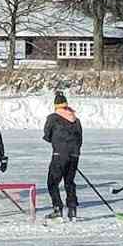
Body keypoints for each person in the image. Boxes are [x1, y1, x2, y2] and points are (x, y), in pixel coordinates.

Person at [43, 89, 82, 221]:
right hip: (74, 155)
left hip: (59, 154)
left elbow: (47, 135)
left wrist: (57, 143)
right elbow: (80, 139)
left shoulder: (53, 118)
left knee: (52, 182)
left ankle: (57, 208)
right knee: (69, 182)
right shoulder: (76, 119)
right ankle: (72, 209)